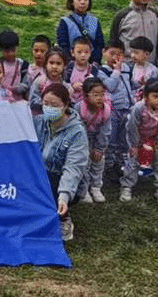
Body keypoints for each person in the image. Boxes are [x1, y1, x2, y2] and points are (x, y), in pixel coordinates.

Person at [32, 83, 89, 241]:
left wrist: (64, 196)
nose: (49, 108)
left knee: (50, 182)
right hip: (41, 174)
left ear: (65, 105)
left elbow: (73, 168)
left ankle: (63, 217)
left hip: (62, 181)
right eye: (46, 104)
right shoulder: (39, 122)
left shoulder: (77, 133)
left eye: (55, 105)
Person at [119, 80, 158, 206]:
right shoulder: (139, 108)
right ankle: (127, 186)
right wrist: (135, 145)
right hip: (138, 137)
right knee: (133, 161)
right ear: (146, 97)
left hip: (156, 138)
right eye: (155, 96)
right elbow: (132, 127)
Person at [97, 40, 134, 174]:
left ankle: (121, 163)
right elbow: (111, 86)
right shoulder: (102, 71)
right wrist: (116, 71)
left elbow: (130, 84)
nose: (115, 58)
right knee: (111, 138)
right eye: (112, 53)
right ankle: (109, 165)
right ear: (104, 53)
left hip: (127, 107)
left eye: (119, 54)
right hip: (112, 109)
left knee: (124, 138)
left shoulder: (127, 68)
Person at [76, 78, 111, 204]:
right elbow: (78, 129)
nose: (100, 98)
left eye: (102, 94)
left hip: (97, 139)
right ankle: (83, 190)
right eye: (95, 95)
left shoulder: (106, 110)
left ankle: (96, 187)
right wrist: (84, 147)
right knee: (84, 163)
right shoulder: (79, 108)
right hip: (81, 140)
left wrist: (99, 148)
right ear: (86, 95)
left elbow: (105, 131)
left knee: (98, 161)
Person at [110, 0, 158, 64]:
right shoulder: (122, 16)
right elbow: (113, 42)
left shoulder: (156, 15)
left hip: (151, 65)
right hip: (128, 65)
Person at [56, 0, 105, 64]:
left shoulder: (94, 21)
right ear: (72, 2)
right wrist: (71, 64)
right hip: (72, 64)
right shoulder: (65, 21)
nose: (82, 2)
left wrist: (94, 62)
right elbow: (63, 46)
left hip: (92, 64)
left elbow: (100, 44)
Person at [29, 47, 71, 114]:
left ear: (64, 66)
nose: (54, 66)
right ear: (46, 64)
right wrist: (45, 103)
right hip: (40, 115)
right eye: (51, 63)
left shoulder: (66, 87)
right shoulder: (40, 82)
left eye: (58, 63)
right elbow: (32, 101)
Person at [63, 36, 100, 104]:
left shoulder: (93, 69)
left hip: (87, 103)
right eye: (79, 52)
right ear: (72, 53)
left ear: (90, 53)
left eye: (86, 52)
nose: (83, 55)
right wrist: (72, 87)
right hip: (70, 102)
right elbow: (63, 83)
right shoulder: (69, 68)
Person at [0, 30, 29, 101]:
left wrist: (14, 88)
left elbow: (26, 84)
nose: (10, 53)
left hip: (17, 101)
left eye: (13, 50)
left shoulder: (23, 65)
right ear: (1, 49)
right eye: (7, 51)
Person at [128, 36, 158, 101]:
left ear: (147, 54)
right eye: (132, 52)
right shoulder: (130, 69)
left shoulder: (153, 70)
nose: (132, 55)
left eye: (136, 52)